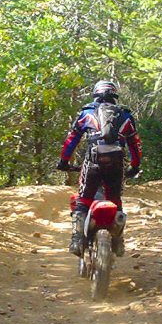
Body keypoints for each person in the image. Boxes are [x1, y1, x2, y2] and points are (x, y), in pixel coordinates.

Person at [57, 80, 142, 257]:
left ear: (95, 94)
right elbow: (135, 144)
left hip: (93, 161)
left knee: (84, 199)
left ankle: (77, 239)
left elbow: (72, 139)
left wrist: (64, 161)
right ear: (114, 96)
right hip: (117, 163)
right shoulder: (125, 116)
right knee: (115, 200)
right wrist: (135, 166)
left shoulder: (87, 113)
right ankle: (118, 241)